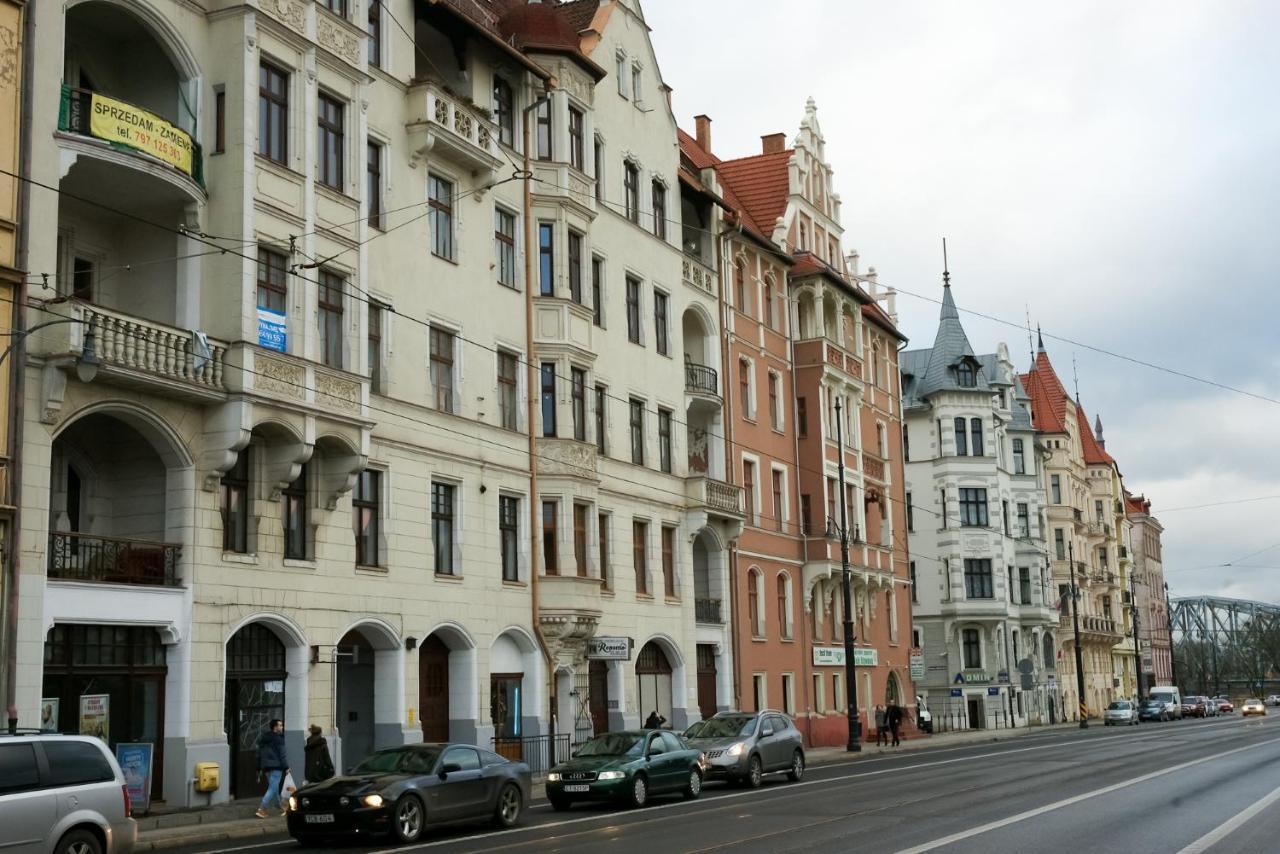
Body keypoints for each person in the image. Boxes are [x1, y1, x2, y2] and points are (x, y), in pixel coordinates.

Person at [255, 719, 290, 818]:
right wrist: (286, 767)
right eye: (280, 725)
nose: (282, 727)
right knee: (272, 788)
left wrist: (259, 767)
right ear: (275, 727)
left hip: (266, 767)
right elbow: (282, 755)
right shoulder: (279, 739)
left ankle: (280, 808)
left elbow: (258, 754)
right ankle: (262, 809)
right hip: (276, 767)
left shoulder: (263, 739)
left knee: (274, 789)